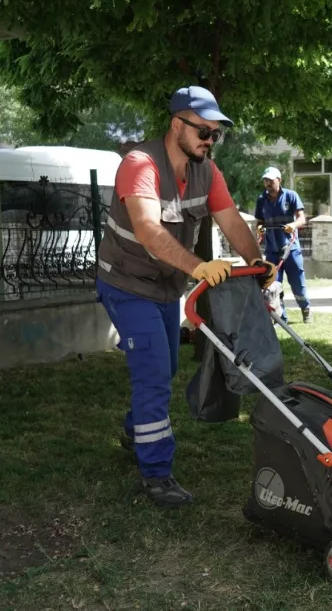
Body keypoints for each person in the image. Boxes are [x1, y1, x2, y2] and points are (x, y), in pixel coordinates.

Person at [95, 85, 277, 508]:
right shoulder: (140, 165)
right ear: (177, 124)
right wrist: (197, 267)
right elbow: (147, 230)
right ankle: (156, 474)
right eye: (203, 131)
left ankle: (135, 428)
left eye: (216, 134)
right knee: (156, 373)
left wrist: (256, 263)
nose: (209, 141)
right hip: (125, 283)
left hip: (164, 287)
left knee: (169, 363)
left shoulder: (207, 172)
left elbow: (231, 220)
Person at [254, 166, 312, 324]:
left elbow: (301, 219)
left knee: (298, 285)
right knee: (272, 287)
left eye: (270, 180)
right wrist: (259, 228)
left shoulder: (291, 196)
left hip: (290, 249)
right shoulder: (261, 200)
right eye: (265, 180)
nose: (268, 183)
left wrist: (293, 225)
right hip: (272, 251)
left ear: (278, 180)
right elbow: (259, 221)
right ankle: (281, 317)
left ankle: (305, 309)